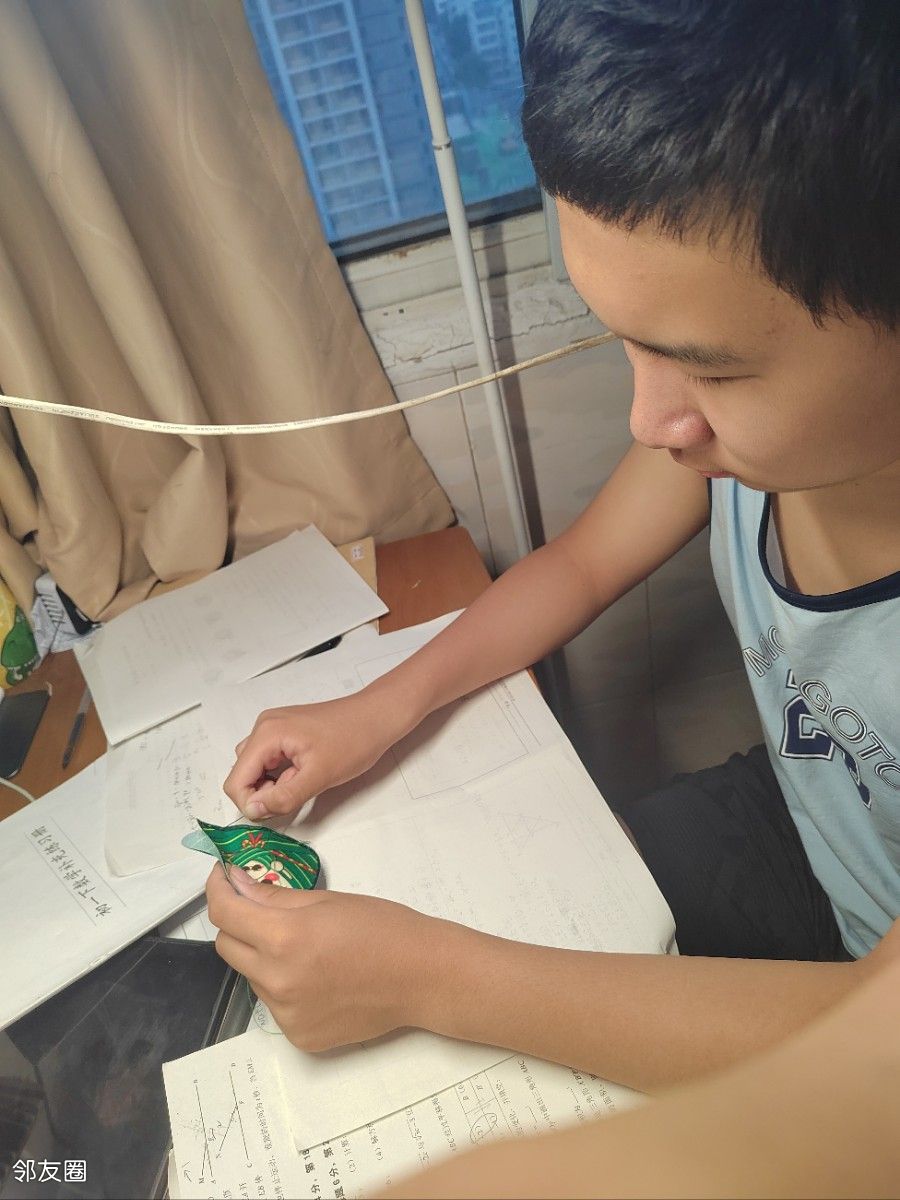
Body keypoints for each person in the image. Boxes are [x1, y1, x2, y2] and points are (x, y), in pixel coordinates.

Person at [206, 0, 899, 1094]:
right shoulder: (734, 452)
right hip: (808, 820)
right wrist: (377, 710)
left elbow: (877, 1052)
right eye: (625, 344)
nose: (650, 421)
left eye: (713, 371)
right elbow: (579, 566)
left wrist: (425, 979)